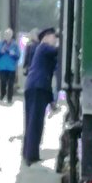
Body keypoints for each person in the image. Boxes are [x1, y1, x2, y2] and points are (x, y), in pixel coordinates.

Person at [23, 28, 59, 165]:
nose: (55, 40)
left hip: (36, 87)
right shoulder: (44, 47)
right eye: (54, 37)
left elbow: (48, 76)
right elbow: (58, 51)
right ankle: (31, 156)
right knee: (35, 122)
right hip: (37, 87)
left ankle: (28, 152)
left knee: (32, 121)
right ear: (46, 37)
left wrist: (51, 100)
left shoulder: (43, 50)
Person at [0, 28, 20, 104]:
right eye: (6, 34)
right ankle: (2, 94)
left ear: (11, 35)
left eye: (9, 34)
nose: (7, 36)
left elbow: (18, 55)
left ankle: (9, 98)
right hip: (2, 67)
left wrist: (13, 54)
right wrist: (0, 52)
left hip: (11, 67)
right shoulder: (0, 44)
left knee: (10, 84)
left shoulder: (15, 45)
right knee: (3, 82)